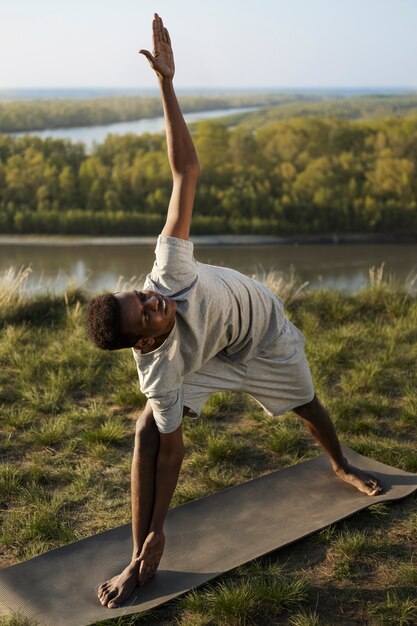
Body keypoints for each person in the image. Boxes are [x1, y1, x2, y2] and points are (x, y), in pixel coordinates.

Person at [87, 14, 382, 610]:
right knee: (148, 428)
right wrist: (158, 533)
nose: (152, 300)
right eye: (145, 312)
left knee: (307, 403)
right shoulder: (159, 371)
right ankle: (137, 550)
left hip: (262, 332)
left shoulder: (168, 270)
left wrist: (167, 84)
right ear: (141, 342)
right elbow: (173, 451)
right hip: (205, 358)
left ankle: (342, 465)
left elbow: (185, 171)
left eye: (140, 296)